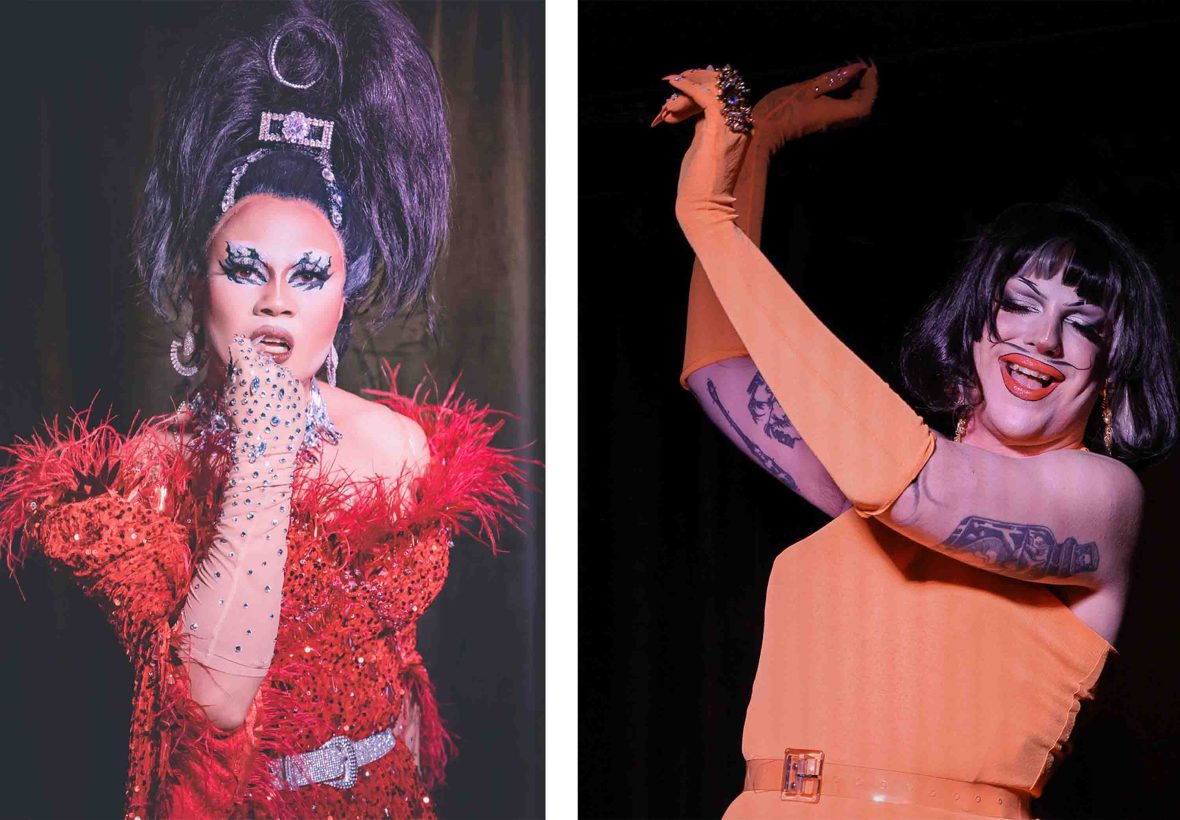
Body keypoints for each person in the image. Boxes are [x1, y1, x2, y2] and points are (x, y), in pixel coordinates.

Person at [0, 2, 523, 817]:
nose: (276, 303)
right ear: (196, 284)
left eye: (309, 275)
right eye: (245, 268)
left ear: (343, 293)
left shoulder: (400, 445)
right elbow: (214, 704)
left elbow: (401, 670)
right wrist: (264, 452)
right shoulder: (147, 472)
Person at [653, 62, 1177, 817]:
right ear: (974, 325)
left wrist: (710, 221)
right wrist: (757, 143)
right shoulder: (878, 462)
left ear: (1113, 367)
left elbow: (913, 486)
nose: (1045, 339)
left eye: (1084, 324)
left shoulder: (1100, 497)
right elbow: (719, 370)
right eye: (1021, 303)